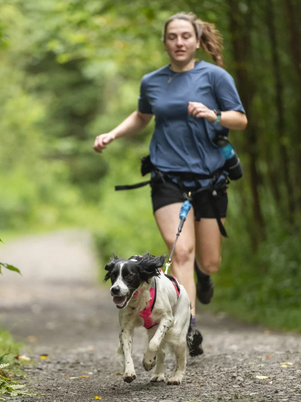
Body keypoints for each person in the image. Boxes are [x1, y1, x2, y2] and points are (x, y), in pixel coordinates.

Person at [93, 12, 247, 356]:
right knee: (181, 251)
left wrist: (214, 115)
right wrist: (113, 133)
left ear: (196, 41)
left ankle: (202, 278)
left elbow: (241, 119)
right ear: (164, 42)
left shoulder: (216, 77)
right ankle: (188, 327)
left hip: (209, 179)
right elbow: (142, 116)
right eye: (172, 37)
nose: (179, 42)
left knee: (208, 262)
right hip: (167, 177)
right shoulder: (152, 81)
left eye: (185, 37)